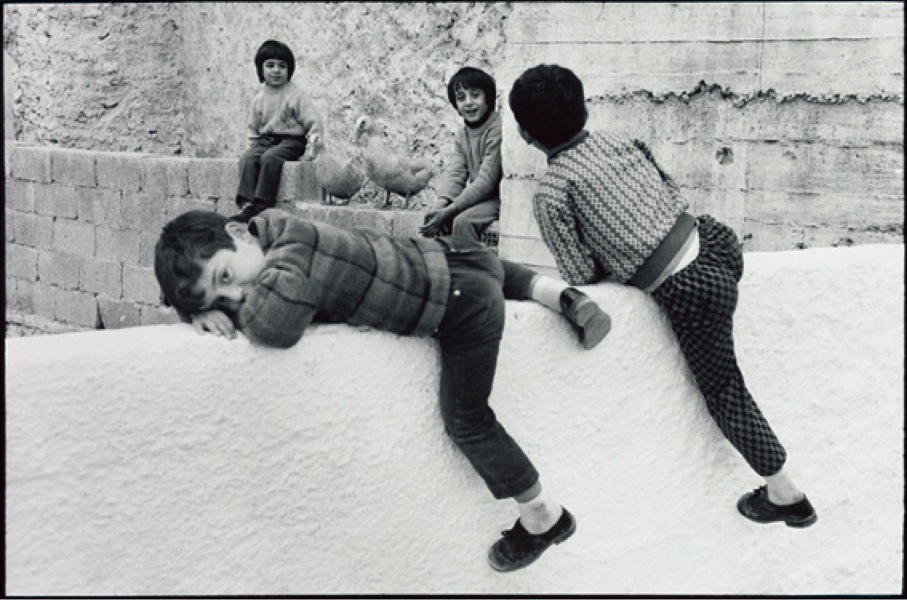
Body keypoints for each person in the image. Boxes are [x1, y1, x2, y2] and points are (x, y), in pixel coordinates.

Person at [154, 207, 613, 571]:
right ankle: (562, 295)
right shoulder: (279, 226)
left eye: (226, 278)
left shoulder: (291, 258)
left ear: (239, 233)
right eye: (222, 300)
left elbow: (274, 328)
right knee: (490, 267)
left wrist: (222, 316)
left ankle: (543, 517)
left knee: (467, 420)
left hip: (461, 306)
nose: (236, 297)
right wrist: (192, 308)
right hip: (451, 256)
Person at [508, 63, 817, 529]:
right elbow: (671, 191)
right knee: (725, 366)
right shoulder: (621, 141)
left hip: (687, 288)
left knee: (724, 391)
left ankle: (785, 494)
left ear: (526, 134)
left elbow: (579, 272)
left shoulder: (553, 191)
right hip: (715, 241)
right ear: (585, 108)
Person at [231, 40, 324, 223]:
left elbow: (313, 122)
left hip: (292, 141)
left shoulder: (296, 95)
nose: (276, 70)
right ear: (261, 70)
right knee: (248, 158)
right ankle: (247, 204)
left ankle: (263, 204)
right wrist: (253, 147)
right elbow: (253, 127)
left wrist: (311, 150)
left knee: (270, 158)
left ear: (289, 70)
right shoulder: (259, 99)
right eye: (270, 65)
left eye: (282, 66)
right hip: (266, 140)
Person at [420, 67, 502, 241]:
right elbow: (456, 176)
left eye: (475, 95)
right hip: (479, 200)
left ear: (488, 98)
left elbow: (486, 181)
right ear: (456, 107)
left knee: (462, 221)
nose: (468, 102)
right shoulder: (462, 136)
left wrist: (451, 210)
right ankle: (448, 265)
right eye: (461, 98)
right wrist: (441, 205)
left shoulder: (497, 129)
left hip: (499, 199)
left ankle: (471, 267)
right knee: (438, 219)